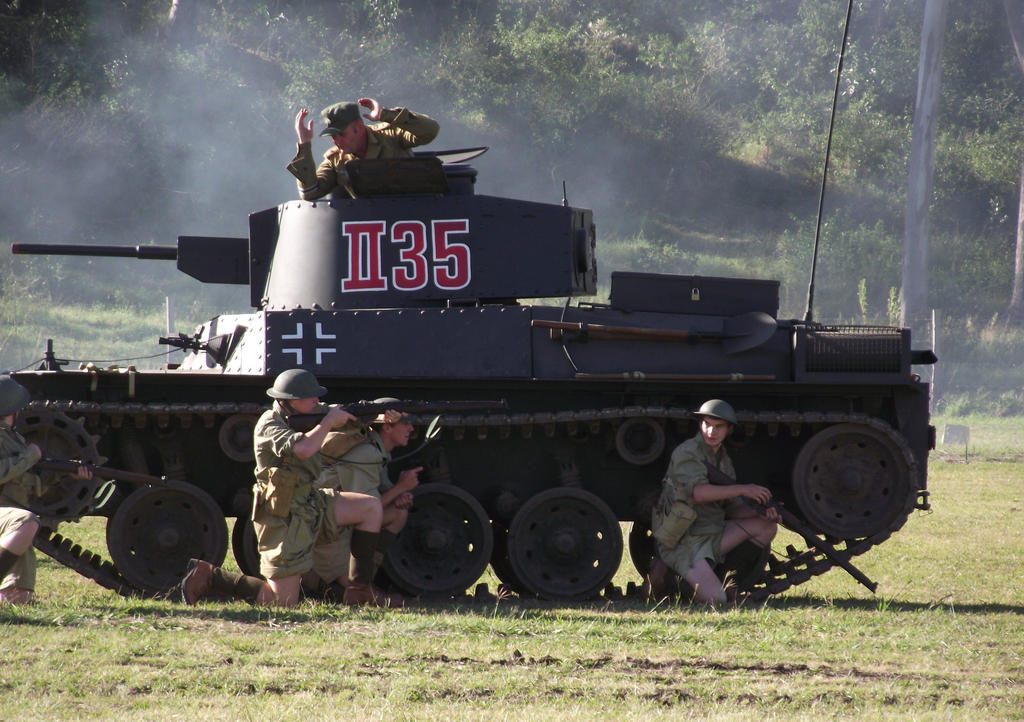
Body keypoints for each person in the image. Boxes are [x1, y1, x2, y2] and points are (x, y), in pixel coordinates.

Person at [181, 369, 402, 607]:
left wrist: (380, 416)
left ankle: (359, 589)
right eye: (311, 397)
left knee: (369, 508)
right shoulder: (269, 424)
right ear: (291, 401)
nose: (317, 401)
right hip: (282, 514)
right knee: (281, 602)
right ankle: (209, 577)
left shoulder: (313, 412)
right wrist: (328, 423)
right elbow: (304, 449)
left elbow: (344, 415)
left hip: (310, 500)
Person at [647, 399, 779, 606]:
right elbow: (698, 493)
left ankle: (729, 582)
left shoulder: (722, 458)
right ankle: (668, 579)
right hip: (683, 540)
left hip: (712, 534)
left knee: (766, 526)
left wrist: (761, 513)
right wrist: (744, 489)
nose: (711, 431)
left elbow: (733, 508)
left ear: (728, 429)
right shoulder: (687, 452)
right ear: (700, 425)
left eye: (719, 427)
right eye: (707, 424)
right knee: (715, 599)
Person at [304, 400, 421, 598]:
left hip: (336, 520)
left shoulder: (377, 451)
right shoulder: (367, 454)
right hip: (326, 527)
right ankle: (352, 585)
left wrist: (398, 495)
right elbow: (367, 507)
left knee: (398, 513)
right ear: (387, 426)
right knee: (345, 586)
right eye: (406, 421)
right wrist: (402, 487)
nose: (411, 427)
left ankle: (367, 578)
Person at [0, 376, 92, 605]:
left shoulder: (13, 438)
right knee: (26, 522)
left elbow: (25, 482)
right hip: (12, 520)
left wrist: (63, 473)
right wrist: (31, 455)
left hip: (9, 518)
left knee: (18, 598)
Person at [286, 97, 439, 200]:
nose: (336, 141)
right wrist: (304, 143)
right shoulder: (336, 160)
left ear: (359, 127)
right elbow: (309, 192)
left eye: (341, 134)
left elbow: (430, 131)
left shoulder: (391, 137)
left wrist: (386, 115)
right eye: (332, 136)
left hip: (414, 218)